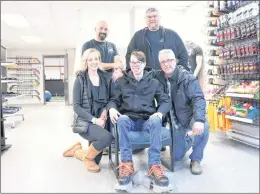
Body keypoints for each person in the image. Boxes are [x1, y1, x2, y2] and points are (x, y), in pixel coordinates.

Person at [107, 50, 172, 188]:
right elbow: (113, 100)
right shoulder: (122, 82)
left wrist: (160, 113)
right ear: (129, 64)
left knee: (156, 120)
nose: (135, 65)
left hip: (147, 121)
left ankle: (155, 165)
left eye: (139, 62)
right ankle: (126, 164)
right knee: (122, 119)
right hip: (129, 120)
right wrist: (112, 108)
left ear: (144, 64)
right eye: (132, 62)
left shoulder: (153, 82)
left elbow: (165, 101)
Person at [153, 49, 209, 175]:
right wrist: (120, 73)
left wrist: (199, 120)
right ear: (159, 64)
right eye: (163, 61)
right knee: (177, 157)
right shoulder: (157, 76)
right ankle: (188, 138)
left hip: (188, 118)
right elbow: (140, 73)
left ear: (175, 61)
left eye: (170, 60)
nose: (167, 64)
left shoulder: (186, 77)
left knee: (204, 126)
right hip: (174, 124)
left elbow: (198, 98)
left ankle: (196, 159)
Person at [63, 48, 113, 173]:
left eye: (96, 59)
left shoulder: (104, 78)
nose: (94, 62)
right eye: (90, 59)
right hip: (86, 123)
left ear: (99, 60)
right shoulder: (80, 79)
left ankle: (76, 150)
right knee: (107, 138)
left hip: (101, 121)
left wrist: (105, 111)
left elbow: (109, 99)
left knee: (95, 161)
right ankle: (86, 157)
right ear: (86, 61)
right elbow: (76, 106)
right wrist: (95, 120)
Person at [81, 20, 124, 154]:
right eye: (101, 28)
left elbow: (119, 62)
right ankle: (97, 144)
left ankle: (110, 141)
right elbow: (96, 65)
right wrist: (113, 66)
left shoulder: (111, 45)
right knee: (96, 112)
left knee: (111, 110)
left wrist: (117, 68)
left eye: (106, 29)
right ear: (95, 28)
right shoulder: (88, 45)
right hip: (94, 84)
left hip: (111, 84)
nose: (103, 31)